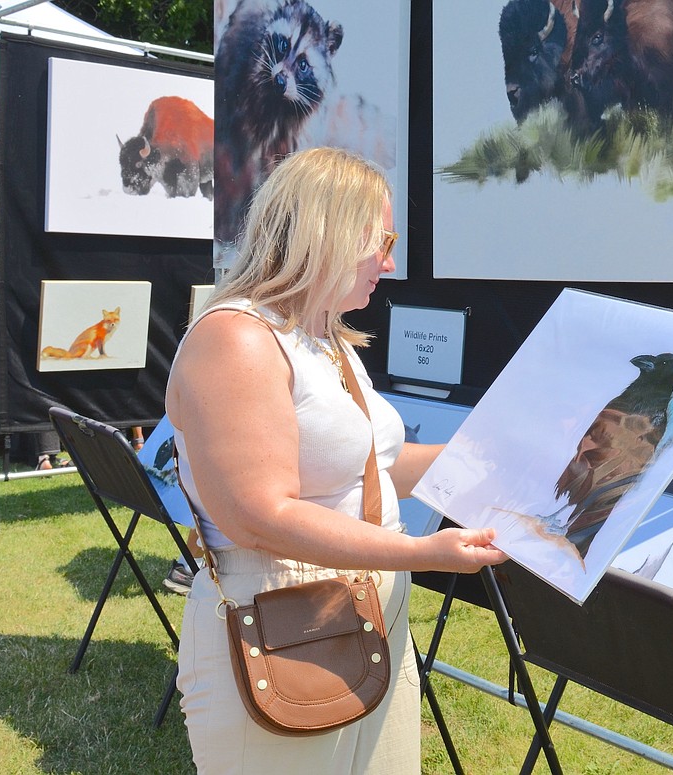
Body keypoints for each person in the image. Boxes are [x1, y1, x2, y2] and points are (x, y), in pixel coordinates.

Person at [166, 147, 507, 773]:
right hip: (276, 619)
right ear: (327, 233)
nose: (391, 262)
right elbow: (260, 517)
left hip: (360, 611)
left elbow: (379, 468)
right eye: (381, 241)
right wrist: (424, 554)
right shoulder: (237, 338)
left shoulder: (325, 339)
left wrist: (500, 460)